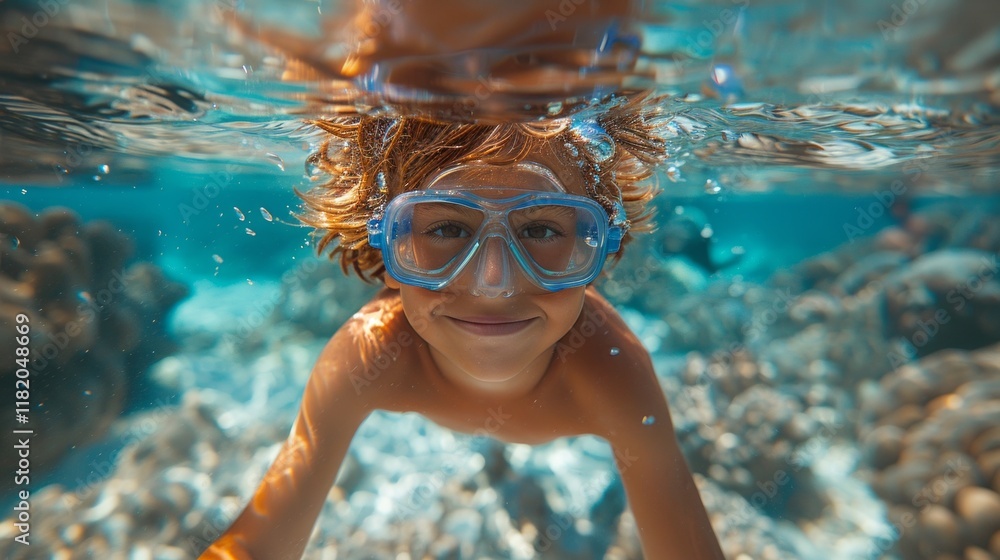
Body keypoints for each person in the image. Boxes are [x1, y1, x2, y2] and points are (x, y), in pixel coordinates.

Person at [198, 92, 725, 559]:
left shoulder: (613, 375)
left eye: (541, 229)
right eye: (447, 228)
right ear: (384, 249)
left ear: (599, 249)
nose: (492, 284)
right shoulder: (369, 356)